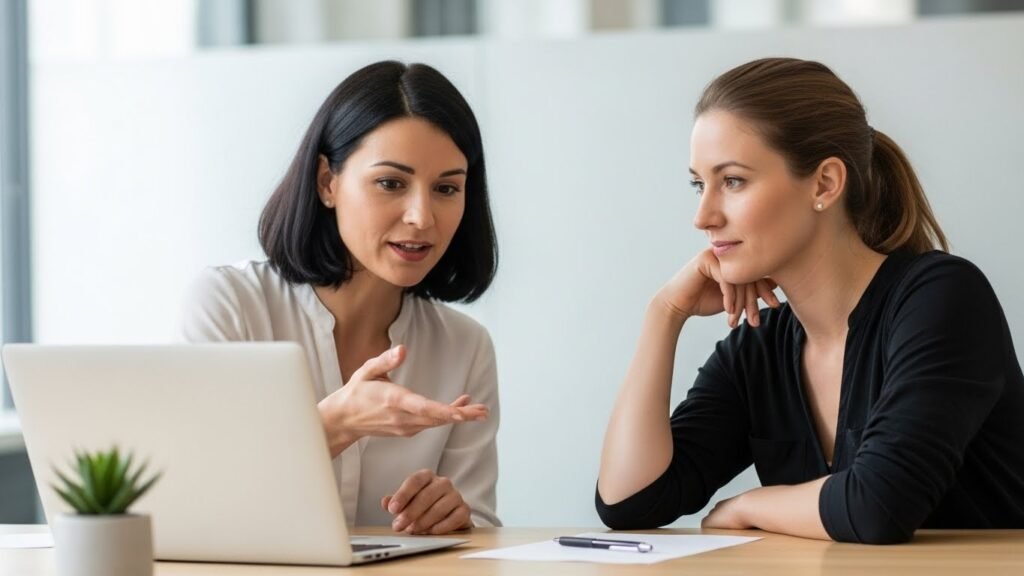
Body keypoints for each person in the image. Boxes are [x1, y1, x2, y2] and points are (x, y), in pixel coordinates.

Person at [596, 57, 1024, 544]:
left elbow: (878, 506)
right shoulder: (761, 345)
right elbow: (628, 503)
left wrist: (747, 505)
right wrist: (664, 314)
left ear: (824, 183)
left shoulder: (942, 298)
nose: (704, 216)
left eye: (732, 181)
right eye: (699, 184)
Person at [182, 61, 500, 535]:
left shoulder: (465, 347)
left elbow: (480, 529)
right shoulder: (231, 306)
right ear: (327, 182)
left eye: (447, 188)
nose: (422, 216)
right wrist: (333, 425)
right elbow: (191, 505)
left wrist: (454, 518)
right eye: (391, 183)